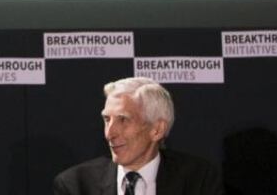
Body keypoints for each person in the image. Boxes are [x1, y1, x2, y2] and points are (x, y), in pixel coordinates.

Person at [53, 77, 222, 195]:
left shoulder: (199, 181)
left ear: (157, 130)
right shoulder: (76, 185)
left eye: (123, 120)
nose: (109, 133)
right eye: (107, 119)